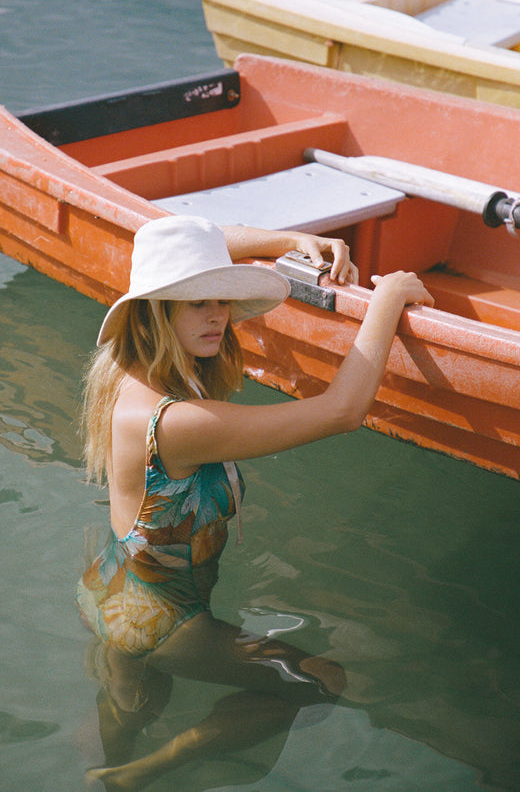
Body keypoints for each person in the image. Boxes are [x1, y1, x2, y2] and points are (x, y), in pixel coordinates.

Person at [77, 215, 433, 789]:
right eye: (197, 303)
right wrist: (386, 299)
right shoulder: (180, 422)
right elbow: (340, 412)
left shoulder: (127, 371)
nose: (217, 315)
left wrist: (286, 242)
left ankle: (103, 755)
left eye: (221, 297)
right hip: (164, 620)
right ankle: (144, 772)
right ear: (157, 308)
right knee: (320, 679)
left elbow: (193, 240)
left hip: (110, 588)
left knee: (137, 703)